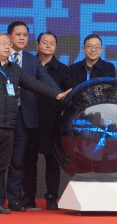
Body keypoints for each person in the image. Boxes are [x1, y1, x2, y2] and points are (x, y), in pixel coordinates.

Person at [0, 32, 71, 216]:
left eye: (8, 44)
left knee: (0, 166)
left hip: (9, 125)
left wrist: (56, 94)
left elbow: (34, 83)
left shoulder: (13, 69)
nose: (8, 47)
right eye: (4, 44)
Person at [5, 21, 61, 212]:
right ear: (9, 37)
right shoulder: (1, 57)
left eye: (25, 35)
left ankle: (14, 199)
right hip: (2, 115)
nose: (22, 38)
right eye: (18, 34)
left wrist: (59, 93)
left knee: (19, 159)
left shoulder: (31, 60)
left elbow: (45, 80)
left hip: (24, 116)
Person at [32, 32, 76, 210]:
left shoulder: (63, 69)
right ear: (37, 46)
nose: (49, 45)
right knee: (27, 161)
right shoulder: (28, 65)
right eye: (45, 42)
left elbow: (71, 94)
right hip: (30, 120)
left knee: (52, 162)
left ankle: (51, 198)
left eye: (52, 43)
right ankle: (27, 197)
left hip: (52, 121)